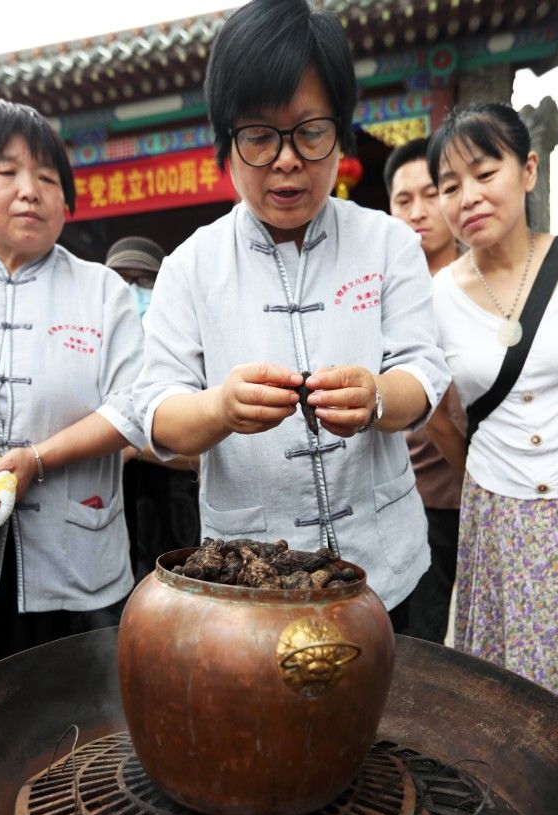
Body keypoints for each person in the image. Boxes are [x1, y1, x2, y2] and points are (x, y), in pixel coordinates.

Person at [133, 0, 450, 626]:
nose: (286, 159)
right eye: (258, 136)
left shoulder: (388, 244)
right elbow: (158, 415)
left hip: (385, 568)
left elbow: (425, 373)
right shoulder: (190, 267)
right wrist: (219, 407)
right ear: (227, 144)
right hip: (250, 581)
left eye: (310, 131)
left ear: (342, 132)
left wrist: (378, 397)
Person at [0, 100, 147, 704]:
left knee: (75, 740)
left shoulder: (102, 291)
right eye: (6, 172)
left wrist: (38, 459)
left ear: (67, 200)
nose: (31, 192)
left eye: (48, 178)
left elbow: (135, 407)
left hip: (73, 566)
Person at [426, 102, 558, 749]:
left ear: (527, 169)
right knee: (516, 690)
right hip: (501, 517)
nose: (468, 197)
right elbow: (437, 415)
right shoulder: (436, 298)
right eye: (449, 186)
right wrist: (486, 478)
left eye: (484, 173)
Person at [384, 138, 466, 644]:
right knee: (424, 638)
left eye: (431, 193)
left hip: (491, 491)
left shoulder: (481, 283)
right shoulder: (385, 291)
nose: (417, 212)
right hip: (421, 494)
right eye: (402, 200)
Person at [105, 236, 200, 579]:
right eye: (121, 279)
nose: (132, 290)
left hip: (180, 522)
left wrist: (132, 446)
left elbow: (208, 456)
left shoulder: (190, 356)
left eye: (144, 280)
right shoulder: (96, 360)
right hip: (116, 527)